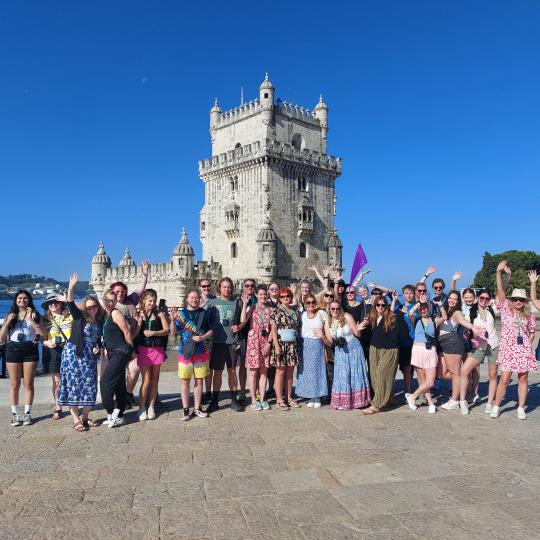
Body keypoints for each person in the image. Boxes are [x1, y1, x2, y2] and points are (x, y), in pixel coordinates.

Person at [56, 273, 103, 431]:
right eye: (89, 307)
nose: (92, 309)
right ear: (85, 308)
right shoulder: (80, 317)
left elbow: (98, 339)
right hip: (74, 355)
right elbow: (70, 303)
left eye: (94, 306)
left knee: (89, 385)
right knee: (73, 385)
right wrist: (72, 287)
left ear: (98, 306)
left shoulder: (99, 321)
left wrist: (98, 347)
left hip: (89, 357)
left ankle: (85, 417)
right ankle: (75, 419)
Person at [490, 261, 536, 420]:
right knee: (504, 378)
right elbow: (500, 290)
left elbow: (532, 332)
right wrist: (499, 272)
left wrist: (527, 345)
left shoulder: (528, 315)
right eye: (515, 298)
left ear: (524, 302)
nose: (518, 301)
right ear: (512, 299)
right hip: (508, 348)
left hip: (522, 349)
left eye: (521, 300)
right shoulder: (505, 308)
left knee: (523, 378)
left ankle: (521, 408)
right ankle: (496, 406)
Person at [0, 290, 46, 426]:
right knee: (14, 384)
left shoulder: (35, 315)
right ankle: (15, 414)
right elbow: (1, 338)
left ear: (29, 300)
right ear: (15, 300)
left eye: (25, 298)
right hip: (13, 349)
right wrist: (7, 323)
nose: (22, 300)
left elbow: (43, 334)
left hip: (30, 349)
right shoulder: (11, 315)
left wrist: (31, 320)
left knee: (28, 383)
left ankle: (27, 414)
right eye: (19, 298)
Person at [110, 259, 150, 408]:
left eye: (122, 291)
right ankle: (119, 398)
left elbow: (141, 288)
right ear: (112, 292)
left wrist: (145, 272)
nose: (120, 293)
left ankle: (127, 394)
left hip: (132, 341)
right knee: (117, 373)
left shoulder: (131, 300)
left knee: (134, 370)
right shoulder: (109, 305)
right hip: (116, 344)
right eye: (117, 291)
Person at [362, 296, 408, 414]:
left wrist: (401, 317)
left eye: (383, 305)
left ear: (386, 306)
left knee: (382, 373)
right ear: (375, 306)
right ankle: (388, 400)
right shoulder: (373, 317)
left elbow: (404, 332)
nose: (380, 307)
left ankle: (376, 404)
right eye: (378, 305)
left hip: (389, 350)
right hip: (374, 349)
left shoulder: (392, 316)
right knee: (374, 377)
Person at [438, 291, 483, 413]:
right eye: (450, 298)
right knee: (442, 373)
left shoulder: (457, 312)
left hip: (452, 342)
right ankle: (463, 384)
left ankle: (454, 400)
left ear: (458, 301)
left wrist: (472, 327)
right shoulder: (445, 310)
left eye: (455, 299)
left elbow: (462, 320)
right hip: (443, 343)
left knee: (455, 374)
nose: (452, 300)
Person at [172, 289, 213, 420]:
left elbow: (211, 330)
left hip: (201, 351)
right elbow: (173, 333)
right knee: (185, 380)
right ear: (187, 299)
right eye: (192, 297)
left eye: (196, 297)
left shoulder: (205, 313)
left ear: (199, 299)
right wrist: (172, 320)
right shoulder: (181, 314)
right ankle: (185, 410)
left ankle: (197, 408)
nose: (194, 299)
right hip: (185, 352)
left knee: (199, 380)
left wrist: (202, 338)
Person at [324, 301, 370, 410]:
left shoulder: (347, 317)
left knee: (355, 374)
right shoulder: (327, 323)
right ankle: (343, 402)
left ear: (341, 309)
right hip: (340, 351)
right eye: (332, 309)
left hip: (354, 348)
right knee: (342, 376)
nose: (335, 311)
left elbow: (357, 334)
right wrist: (322, 337)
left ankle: (358, 401)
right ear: (329, 310)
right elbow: (330, 342)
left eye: (337, 308)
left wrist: (360, 328)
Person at [206, 278, 243, 413]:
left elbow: (241, 321)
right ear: (219, 288)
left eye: (229, 287)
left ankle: (234, 400)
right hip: (217, 342)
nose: (227, 289)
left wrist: (238, 327)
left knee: (232, 372)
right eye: (224, 287)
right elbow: (207, 322)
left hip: (232, 342)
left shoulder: (236, 303)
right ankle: (215, 400)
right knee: (217, 372)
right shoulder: (212, 303)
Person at [461, 289, 500, 414]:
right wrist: (467, 334)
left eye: (487, 298)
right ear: (477, 298)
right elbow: (466, 331)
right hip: (479, 345)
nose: (484, 300)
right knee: (464, 371)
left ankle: (489, 403)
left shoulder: (492, 309)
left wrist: (503, 275)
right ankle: (463, 401)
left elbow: (501, 291)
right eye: (482, 298)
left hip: (493, 344)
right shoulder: (471, 312)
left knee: (493, 375)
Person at [100, 289, 134, 427]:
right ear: (103, 300)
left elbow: (127, 331)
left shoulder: (115, 312)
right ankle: (119, 415)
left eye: (113, 300)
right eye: (108, 300)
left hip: (121, 351)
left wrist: (130, 351)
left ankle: (110, 412)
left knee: (105, 381)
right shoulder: (107, 315)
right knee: (119, 384)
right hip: (114, 352)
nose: (110, 302)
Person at [134, 290, 169, 421]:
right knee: (146, 380)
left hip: (157, 349)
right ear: (143, 300)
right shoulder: (138, 314)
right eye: (150, 301)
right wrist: (138, 322)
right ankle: (141, 408)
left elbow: (167, 331)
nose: (152, 303)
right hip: (144, 349)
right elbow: (134, 333)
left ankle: (151, 407)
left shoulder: (159, 314)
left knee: (155, 380)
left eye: (154, 301)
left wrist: (153, 333)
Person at [241, 285, 272, 410]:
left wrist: (269, 344)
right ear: (257, 295)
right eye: (260, 294)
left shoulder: (270, 310)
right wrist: (244, 305)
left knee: (264, 372)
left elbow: (272, 329)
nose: (263, 296)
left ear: (267, 295)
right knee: (253, 372)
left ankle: (263, 399)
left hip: (265, 342)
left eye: (264, 294)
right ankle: (254, 399)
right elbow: (243, 320)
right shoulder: (252, 307)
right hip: (253, 342)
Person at [42, 293, 73, 421]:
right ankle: (58, 407)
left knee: (71, 379)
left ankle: (73, 406)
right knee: (56, 381)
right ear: (48, 306)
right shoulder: (44, 320)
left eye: (56, 302)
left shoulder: (70, 316)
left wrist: (67, 299)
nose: (53, 304)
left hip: (69, 350)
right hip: (53, 351)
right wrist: (47, 342)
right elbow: (40, 338)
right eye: (51, 303)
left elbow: (82, 309)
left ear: (61, 303)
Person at [269, 287, 301, 410]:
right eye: (283, 296)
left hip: (292, 344)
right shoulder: (276, 311)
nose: (286, 298)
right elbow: (273, 329)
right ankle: (279, 399)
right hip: (281, 344)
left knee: (290, 373)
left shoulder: (294, 311)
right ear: (279, 298)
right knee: (280, 371)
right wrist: (276, 346)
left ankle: (289, 397)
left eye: (288, 296)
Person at [404, 302, 438, 414]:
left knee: (430, 382)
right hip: (418, 350)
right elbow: (409, 313)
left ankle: (412, 396)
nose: (423, 310)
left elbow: (445, 316)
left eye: (425, 309)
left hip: (431, 351)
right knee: (423, 380)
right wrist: (419, 302)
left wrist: (440, 304)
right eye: (421, 309)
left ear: (428, 309)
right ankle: (431, 404)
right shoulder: (416, 320)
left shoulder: (434, 320)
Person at [296, 294, 328, 408]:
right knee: (306, 372)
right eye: (308, 303)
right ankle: (311, 395)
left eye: (313, 302)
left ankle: (317, 396)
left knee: (316, 370)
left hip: (316, 344)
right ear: (305, 304)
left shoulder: (322, 313)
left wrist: (324, 336)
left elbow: (329, 326)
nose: (311, 304)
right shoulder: (302, 314)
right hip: (304, 344)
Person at [237, 278, 257, 403]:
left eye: (252, 285)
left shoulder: (259, 299)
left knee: (256, 367)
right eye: (247, 285)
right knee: (243, 366)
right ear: (243, 287)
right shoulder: (238, 301)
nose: (249, 287)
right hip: (244, 337)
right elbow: (237, 319)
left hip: (256, 337)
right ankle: (243, 392)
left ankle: (257, 392)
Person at [198, 278, 215, 404]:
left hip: (211, 337)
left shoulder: (214, 300)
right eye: (203, 286)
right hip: (198, 337)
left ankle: (208, 392)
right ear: (199, 287)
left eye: (208, 286)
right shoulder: (195, 300)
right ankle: (200, 392)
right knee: (200, 367)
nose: (206, 288)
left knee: (209, 367)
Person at [265, 281, 280, 398]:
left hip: (281, 337)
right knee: (270, 364)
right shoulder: (265, 304)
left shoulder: (284, 301)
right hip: (268, 336)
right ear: (268, 291)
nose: (274, 291)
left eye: (276, 289)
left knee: (280, 364)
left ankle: (279, 387)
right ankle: (271, 387)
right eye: (271, 289)